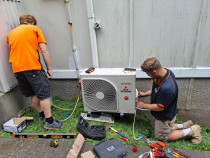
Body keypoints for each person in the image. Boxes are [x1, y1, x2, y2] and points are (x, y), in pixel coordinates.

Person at [7, 14, 63, 129]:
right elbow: (44, 50)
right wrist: (49, 68)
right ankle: (50, 121)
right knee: (44, 95)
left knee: (33, 93)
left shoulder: (10, 34)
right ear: (31, 21)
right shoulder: (35, 29)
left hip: (17, 69)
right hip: (32, 67)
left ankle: (41, 115)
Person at [136, 57, 202, 145]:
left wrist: (143, 105)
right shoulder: (165, 72)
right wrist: (145, 93)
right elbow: (157, 90)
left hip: (164, 115)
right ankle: (184, 125)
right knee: (159, 126)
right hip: (168, 111)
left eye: (149, 74)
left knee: (162, 136)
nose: (148, 76)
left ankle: (192, 130)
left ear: (155, 72)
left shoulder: (167, 88)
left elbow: (159, 107)